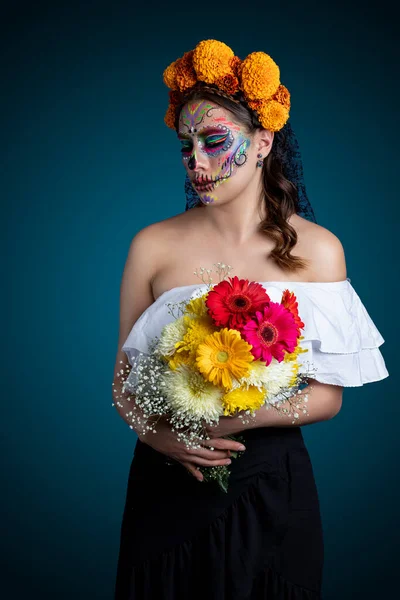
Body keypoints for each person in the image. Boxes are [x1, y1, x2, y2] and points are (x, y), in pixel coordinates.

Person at [112, 39, 389, 599]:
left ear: (263, 142)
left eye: (215, 142)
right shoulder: (151, 246)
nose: (197, 161)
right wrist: (160, 434)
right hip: (166, 483)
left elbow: (329, 397)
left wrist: (233, 421)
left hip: (270, 488)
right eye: (186, 145)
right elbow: (123, 384)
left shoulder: (320, 250)